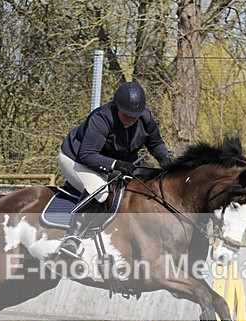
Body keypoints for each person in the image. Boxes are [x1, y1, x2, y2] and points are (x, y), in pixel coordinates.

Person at [57, 81, 172, 259]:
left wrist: (166, 161)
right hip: (76, 160)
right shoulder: (101, 118)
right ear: (117, 107)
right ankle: (73, 238)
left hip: (110, 162)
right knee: (101, 191)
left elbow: (156, 143)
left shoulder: (145, 118)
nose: (131, 119)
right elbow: (87, 155)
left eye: (135, 115)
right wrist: (116, 164)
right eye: (127, 114)